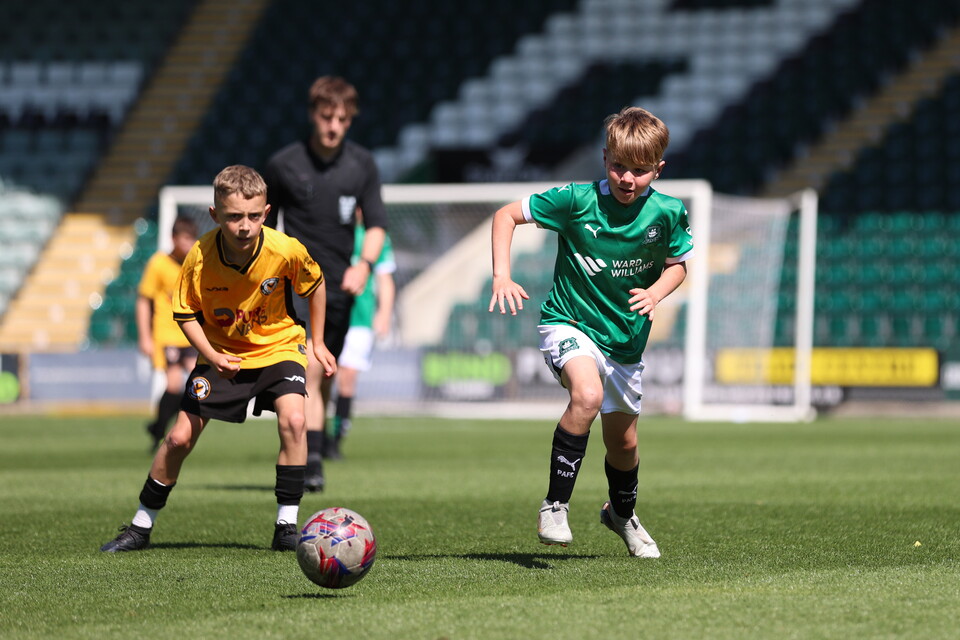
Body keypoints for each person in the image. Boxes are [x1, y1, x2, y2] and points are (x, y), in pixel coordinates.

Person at [488, 107, 693, 558]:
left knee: (624, 444)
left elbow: (678, 266)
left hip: (625, 342)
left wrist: (656, 292)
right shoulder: (575, 200)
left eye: (640, 171)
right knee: (586, 395)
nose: (627, 178)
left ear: (658, 169)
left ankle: (621, 514)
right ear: (605, 158)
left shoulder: (669, 212)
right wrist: (502, 275)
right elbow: (505, 216)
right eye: (619, 166)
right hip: (569, 322)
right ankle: (555, 505)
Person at [100, 165, 337, 553]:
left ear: (266, 212)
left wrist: (320, 342)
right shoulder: (199, 256)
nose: (245, 226)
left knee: (295, 420)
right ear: (214, 215)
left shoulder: (285, 249)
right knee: (178, 438)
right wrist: (212, 355)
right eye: (233, 217)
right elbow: (185, 314)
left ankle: (286, 528)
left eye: (254, 216)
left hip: (278, 346)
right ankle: (140, 527)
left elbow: (317, 283)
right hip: (221, 353)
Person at [263, 75, 387, 492]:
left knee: (327, 373)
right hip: (295, 290)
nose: (333, 125)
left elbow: (377, 225)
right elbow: (263, 226)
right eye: (325, 116)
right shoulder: (284, 164)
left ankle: (314, 442)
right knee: (311, 370)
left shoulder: (362, 165)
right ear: (312, 115)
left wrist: (364, 265)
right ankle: (311, 460)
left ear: (350, 120)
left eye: (341, 118)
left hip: (343, 288)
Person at [327, 223, 396, 459]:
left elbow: (385, 278)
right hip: (327, 315)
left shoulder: (375, 237)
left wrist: (384, 313)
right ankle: (316, 435)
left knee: (348, 377)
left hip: (360, 319)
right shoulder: (328, 227)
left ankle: (335, 440)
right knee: (324, 377)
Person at [136, 216, 199, 451]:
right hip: (167, 334)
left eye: (192, 238)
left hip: (191, 333)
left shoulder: (195, 265)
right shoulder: (159, 264)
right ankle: (160, 429)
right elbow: (144, 301)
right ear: (173, 238)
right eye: (185, 238)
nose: (189, 243)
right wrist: (145, 336)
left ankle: (159, 427)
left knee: (196, 382)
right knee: (173, 385)